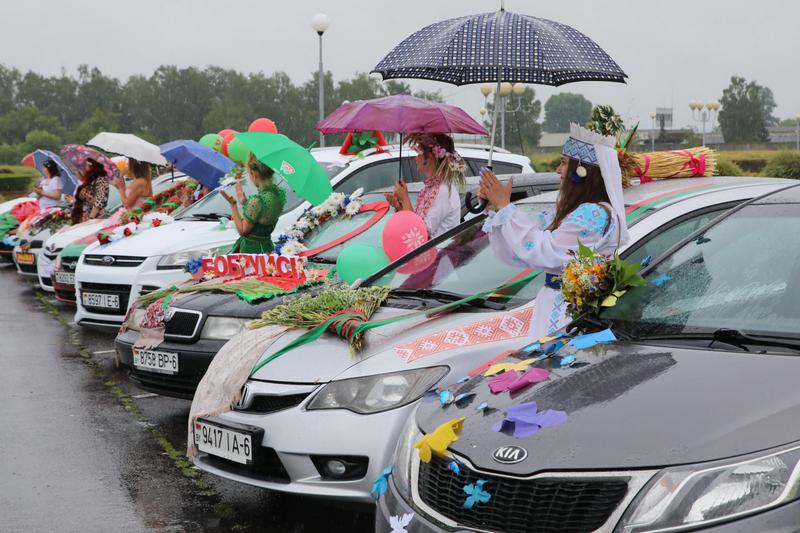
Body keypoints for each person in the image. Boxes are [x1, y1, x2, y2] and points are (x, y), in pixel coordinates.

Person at [478, 124, 630, 339]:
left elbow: (544, 251)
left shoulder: (593, 214)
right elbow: (521, 252)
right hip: (554, 305)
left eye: (563, 163)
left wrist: (506, 209)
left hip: (570, 314)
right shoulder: (568, 212)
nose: (558, 170)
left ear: (582, 170)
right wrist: (495, 209)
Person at [384, 133, 464, 238]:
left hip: (438, 253)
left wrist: (405, 198)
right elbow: (417, 222)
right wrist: (400, 206)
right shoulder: (433, 188)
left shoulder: (442, 191)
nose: (416, 158)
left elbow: (419, 234)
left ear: (429, 157)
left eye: (418, 153)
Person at [219, 153, 285, 253]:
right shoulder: (278, 195)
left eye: (249, 173)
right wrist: (245, 203)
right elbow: (262, 217)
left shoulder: (257, 200)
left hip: (252, 252)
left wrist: (233, 205)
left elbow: (242, 231)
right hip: (267, 248)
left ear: (254, 173)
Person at [69, 158, 110, 223]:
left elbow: (98, 204)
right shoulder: (89, 181)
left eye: (86, 166)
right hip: (86, 220)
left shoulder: (101, 180)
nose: (85, 168)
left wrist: (90, 219)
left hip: (98, 220)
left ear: (93, 167)